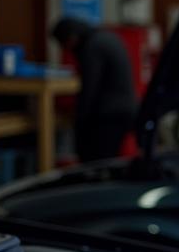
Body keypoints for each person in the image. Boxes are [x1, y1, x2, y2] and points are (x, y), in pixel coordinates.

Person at [51, 17, 138, 162]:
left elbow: (89, 89)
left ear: (70, 37)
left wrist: (79, 122)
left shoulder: (93, 47)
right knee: (109, 162)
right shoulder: (106, 37)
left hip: (109, 115)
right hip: (125, 109)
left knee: (96, 164)